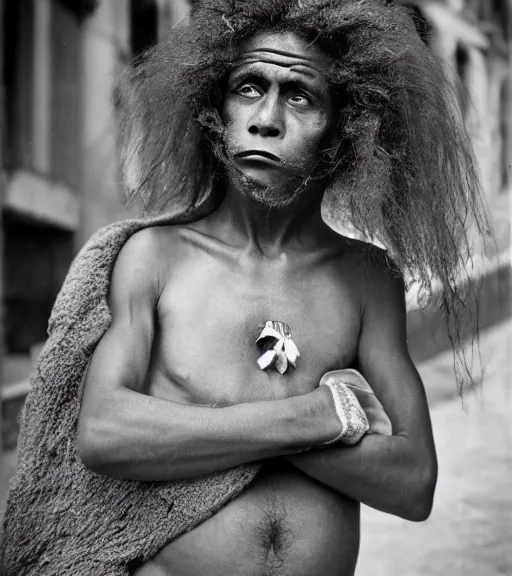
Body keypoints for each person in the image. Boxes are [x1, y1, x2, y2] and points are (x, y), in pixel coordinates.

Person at [2, 1, 489, 575]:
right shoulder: (152, 258)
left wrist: (199, 423)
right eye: (249, 87)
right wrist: (315, 417)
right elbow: (104, 433)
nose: (266, 118)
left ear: (346, 128)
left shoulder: (367, 277)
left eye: (300, 95)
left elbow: (412, 484)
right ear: (215, 109)